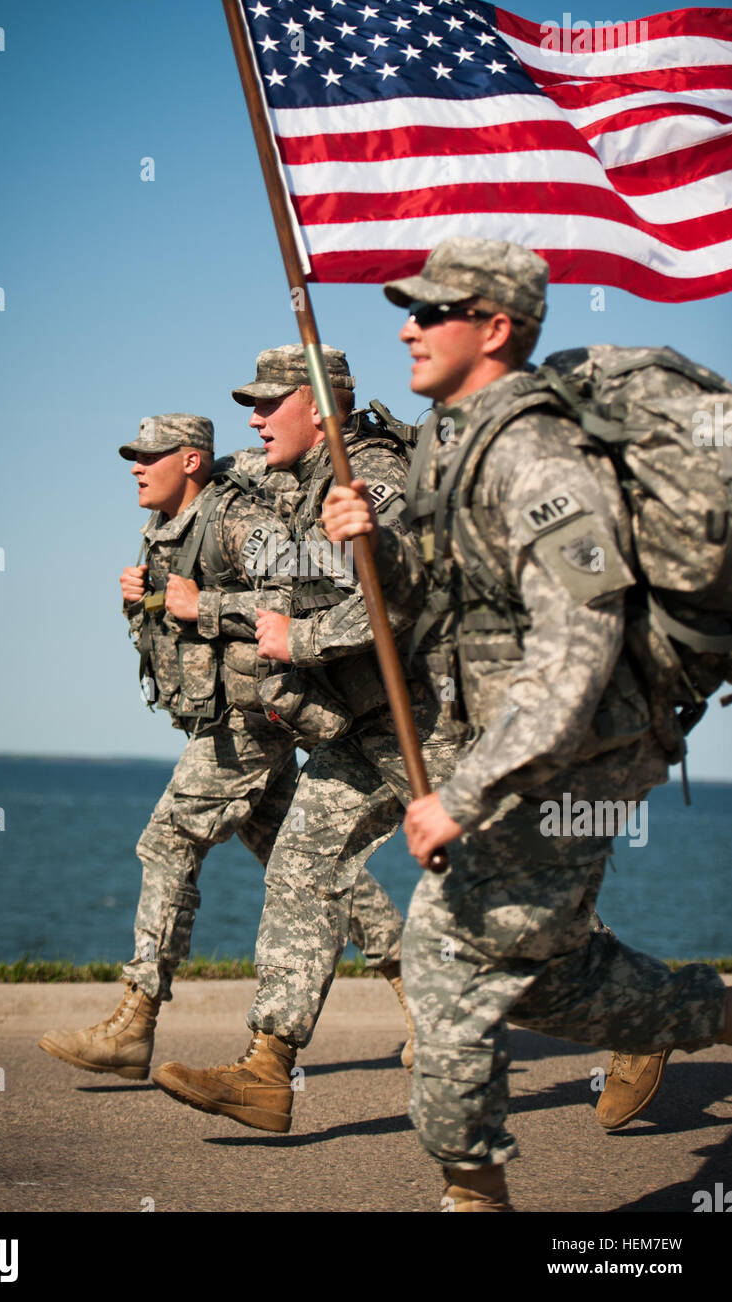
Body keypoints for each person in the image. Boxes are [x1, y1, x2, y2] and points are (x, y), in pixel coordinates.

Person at [321, 236, 731, 1211]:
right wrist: (368, 549)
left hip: (581, 756)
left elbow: (581, 635)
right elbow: (447, 607)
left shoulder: (540, 454)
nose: (408, 327)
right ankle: (689, 1011)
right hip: (516, 750)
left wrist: (462, 795)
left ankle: (474, 1194)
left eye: (432, 311)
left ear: (495, 327)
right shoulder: (451, 441)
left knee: (450, 947)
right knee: (531, 970)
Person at [151, 348, 468, 1133]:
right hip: (359, 726)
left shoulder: (372, 478)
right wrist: (214, 612)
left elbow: (401, 600)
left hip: (429, 723)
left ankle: (645, 1021)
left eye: (267, 404)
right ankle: (268, 1065)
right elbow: (281, 592)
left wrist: (305, 642)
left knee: (511, 890)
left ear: (317, 403)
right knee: (300, 867)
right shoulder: (300, 489)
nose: (252, 420)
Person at [38, 412, 407, 1082]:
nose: (135, 467)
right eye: (133, 455)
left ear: (189, 461)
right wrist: (142, 600)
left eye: (149, 456)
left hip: (259, 708)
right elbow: (178, 617)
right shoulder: (166, 528)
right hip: (235, 709)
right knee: (300, 861)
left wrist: (200, 603)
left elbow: (299, 591)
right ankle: (416, 990)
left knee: (169, 838)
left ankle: (135, 1018)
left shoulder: (238, 520)